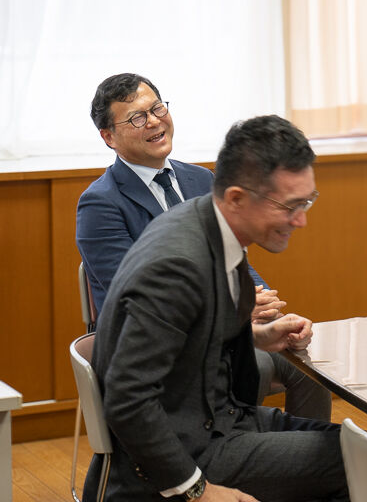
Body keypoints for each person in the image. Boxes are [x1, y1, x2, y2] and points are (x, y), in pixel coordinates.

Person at [87, 115, 347, 502]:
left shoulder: (208, 221)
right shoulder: (176, 266)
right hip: (182, 456)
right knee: (361, 464)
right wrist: (197, 490)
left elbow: (190, 332)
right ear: (237, 198)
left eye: (307, 201)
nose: (302, 220)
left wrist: (257, 336)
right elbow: (127, 400)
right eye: (290, 206)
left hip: (220, 421)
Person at [76, 73, 331, 421]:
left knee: (309, 366)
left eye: (157, 108)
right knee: (248, 367)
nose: (154, 121)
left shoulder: (201, 179)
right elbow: (135, 296)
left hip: (225, 331)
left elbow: (235, 257)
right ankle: (234, 448)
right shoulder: (100, 203)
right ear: (108, 137)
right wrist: (235, 309)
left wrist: (266, 306)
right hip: (154, 347)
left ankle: (304, 454)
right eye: (137, 118)